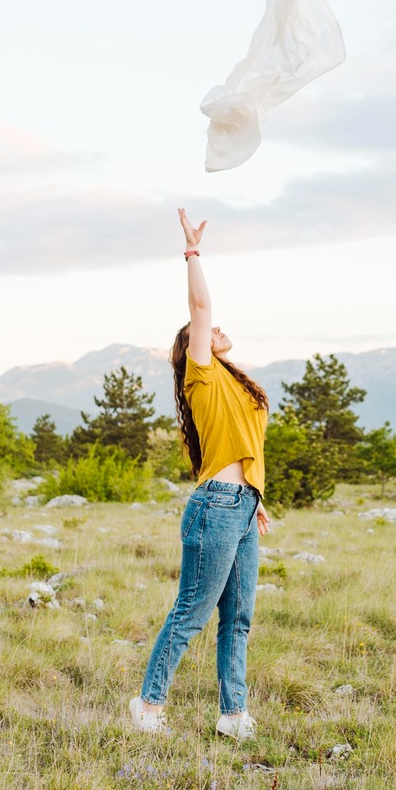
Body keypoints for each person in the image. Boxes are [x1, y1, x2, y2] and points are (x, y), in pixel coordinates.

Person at [129, 208, 269, 740]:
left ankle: (233, 716)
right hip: (215, 506)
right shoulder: (201, 373)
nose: (217, 327)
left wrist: (258, 499)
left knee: (238, 619)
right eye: (206, 331)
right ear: (194, 344)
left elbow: (247, 447)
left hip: (242, 506)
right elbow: (201, 304)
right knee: (192, 611)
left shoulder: (234, 384)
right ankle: (148, 705)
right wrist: (192, 251)